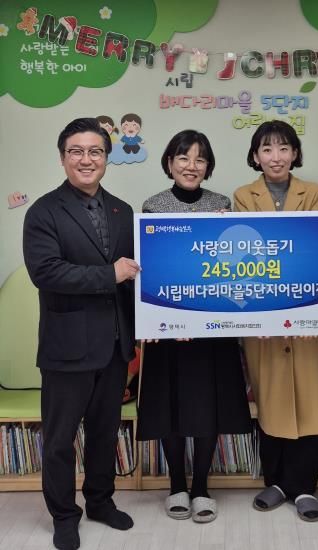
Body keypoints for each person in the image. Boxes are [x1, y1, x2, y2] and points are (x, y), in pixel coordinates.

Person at [22, 117, 140, 550]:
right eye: (76, 151)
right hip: (67, 347)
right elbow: (46, 272)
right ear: (63, 158)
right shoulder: (43, 211)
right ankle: (64, 515)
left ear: (106, 158)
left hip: (115, 346)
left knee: (105, 434)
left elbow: (136, 277)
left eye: (95, 151)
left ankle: (100, 502)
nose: (86, 159)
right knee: (59, 440)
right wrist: (110, 274)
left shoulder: (123, 210)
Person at [137, 129, 251, 523]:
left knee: (208, 406)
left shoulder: (222, 205)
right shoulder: (152, 207)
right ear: (170, 163)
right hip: (169, 329)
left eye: (200, 159)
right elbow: (151, 268)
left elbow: (231, 268)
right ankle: (176, 486)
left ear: (208, 166)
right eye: (183, 157)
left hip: (211, 329)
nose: (191, 165)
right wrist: (162, 319)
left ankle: (201, 487)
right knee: (170, 407)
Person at [233, 121, 318, 522]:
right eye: (267, 149)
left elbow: (311, 250)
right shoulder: (243, 195)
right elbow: (246, 257)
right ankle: (275, 483)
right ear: (255, 156)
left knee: (309, 405)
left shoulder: (313, 191)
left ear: (295, 154)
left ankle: (304, 488)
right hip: (263, 320)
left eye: (283, 148)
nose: (275, 157)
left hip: (306, 315)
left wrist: (305, 310)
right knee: (271, 404)